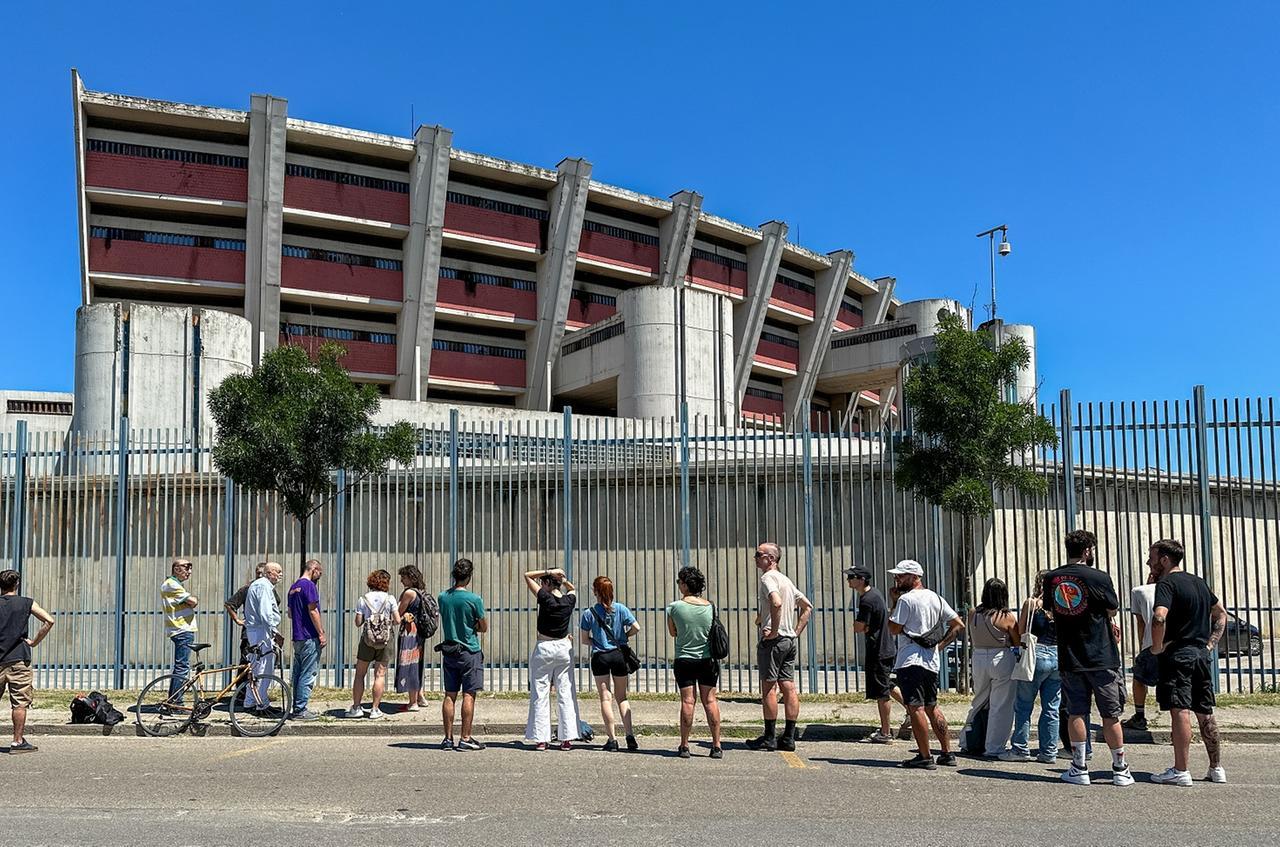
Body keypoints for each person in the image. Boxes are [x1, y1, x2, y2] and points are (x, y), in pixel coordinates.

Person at [1045, 529, 1133, 787]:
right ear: (1087, 551)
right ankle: (1120, 768)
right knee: (1110, 714)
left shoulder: (1053, 578)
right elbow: (1112, 607)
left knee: (1076, 713)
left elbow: (1052, 609)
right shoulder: (1099, 577)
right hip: (1101, 654)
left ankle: (1079, 766)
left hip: (1071, 655)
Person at [1148, 539, 1228, 786]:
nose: (1148, 562)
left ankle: (1181, 770)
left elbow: (1159, 617)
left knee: (1180, 708)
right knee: (1204, 710)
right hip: (1200, 655)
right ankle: (1216, 768)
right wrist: (1210, 644)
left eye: (1151, 557)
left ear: (1164, 560)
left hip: (1178, 655)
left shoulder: (1167, 583)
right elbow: (1221, 613)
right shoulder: (1199, 583)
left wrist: (1157, 647)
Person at [886, 559, 964, 769]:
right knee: (932, 705)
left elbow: (893, 628)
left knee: (916, 707)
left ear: (913, 577)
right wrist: (940, 645)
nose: (897, 579)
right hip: (931, 661)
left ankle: (924, 755)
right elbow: (957, 624)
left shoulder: (906, 600)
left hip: (910, 660)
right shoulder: (936, 598)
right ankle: (947, 752)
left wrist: (894, 602)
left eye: (901, 576)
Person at [746, 542, 813, 753]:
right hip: (789, 640)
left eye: (759, 554)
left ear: (771, 559)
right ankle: (789, 737)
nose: (755, 558)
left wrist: (774, 631)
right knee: (788, 686)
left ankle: (769, 736)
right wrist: (794, 631)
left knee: (768, 688)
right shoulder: (786, 580)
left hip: (774, 641)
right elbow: (807, 607)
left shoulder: (768, 578)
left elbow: (775, 602)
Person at [845, 566, 908, 743]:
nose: (848, 580)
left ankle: (885, 733)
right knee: (886, 684)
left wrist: (863, 627)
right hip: (884, 647)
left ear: (861, 579)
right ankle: (910, 711)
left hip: (878, 649)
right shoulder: (873, 593)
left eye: (851, 577)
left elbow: (858, 627)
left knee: (882, 693)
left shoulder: (867, 600)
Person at [666, 566, 723, 759]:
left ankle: (684, 745)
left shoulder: (674, 607)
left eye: (679, 582)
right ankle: (716, 745)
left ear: (684, 584)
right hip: (707, 660)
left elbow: (673, 633)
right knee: (710, 701)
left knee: (688, 701)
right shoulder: (710, 606)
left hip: (684, 659)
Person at [1007, 570, 1062, 764]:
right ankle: (1049, 752)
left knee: (1023, 705)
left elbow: (1022, 631)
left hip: (1035, 654)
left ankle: (1020, 748)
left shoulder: (1031, 604)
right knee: (1052, 707)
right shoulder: (1061, 603)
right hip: (1058, 655)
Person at [581, 575, 641, 752]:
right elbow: (636, 627)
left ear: (595, 592)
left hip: (600, 656)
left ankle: (612, 739)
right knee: (622, 697)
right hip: (618, 655)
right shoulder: (621, 609)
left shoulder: (589, 613)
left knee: (605, 697)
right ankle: (630, 736)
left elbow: (585, 640)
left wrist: (598, 643)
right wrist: (624, 637)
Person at [962, 578, 1020, 758]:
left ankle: (967, 740)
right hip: (1000, 657)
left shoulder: (973, 613)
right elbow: (1017, 640)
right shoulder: (1006, 616)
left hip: (979, 656)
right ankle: (994, 747)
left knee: (978, 700)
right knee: (1000, 705)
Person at [523, 567, 580, 750]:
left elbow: (527, 576)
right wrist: (562, 579)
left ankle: (541, 739)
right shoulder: (569, 600)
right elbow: (572, 588)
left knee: (540, 693)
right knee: (566, 693)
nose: (541, 584)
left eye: (544, 582)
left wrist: (549, 570)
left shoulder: (545, 598)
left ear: (547, 583)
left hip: (545, 647)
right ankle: (567, 738)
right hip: (563, 647)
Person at [0, 570, 54, 754]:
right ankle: (17, 742)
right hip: (18, 660)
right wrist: (34, 642)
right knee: (20, 703)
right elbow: (49, 620)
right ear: (16, 584)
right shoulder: (26, 603)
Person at [438, 558, 487, 751]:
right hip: (469, 650)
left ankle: (447, 738)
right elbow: (483, 627)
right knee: (469, 694)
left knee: (450, 694)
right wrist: (472, 624)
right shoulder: (474, 599)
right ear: (469, 576)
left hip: (450, 650)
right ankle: (465, 737)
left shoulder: (443, 597)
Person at [346, 569, 401, 720]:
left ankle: (356, 707)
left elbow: (358, 622)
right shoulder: (390, 599)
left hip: (367, 641)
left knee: (360, 674)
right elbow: (397, 620)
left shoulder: (363, 599)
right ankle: (375, 709)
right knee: (380, 674)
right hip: (385, 640)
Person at [243, 562, 285, 711]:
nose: (280, 575)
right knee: (265, 668)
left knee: (255, 666)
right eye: (278, 572)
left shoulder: (260, 585)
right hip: (262, 631)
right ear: (269, 573)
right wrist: (274, 631)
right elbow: (266, 613)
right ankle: (262, 703)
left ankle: (250, 701)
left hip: (257, 630)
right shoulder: (264, 586)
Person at [287, 559, 326, 721]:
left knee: (297, 673)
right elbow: (313, 610)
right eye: (320, 573)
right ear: (314, 569)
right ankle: (300, 710)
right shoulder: (309, 586)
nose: (319, 577)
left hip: (297, 636)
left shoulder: (293, 587)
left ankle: (296, 706)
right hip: (309, 635)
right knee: (308, 673)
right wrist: (321, 633)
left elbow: (290, 613)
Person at [1124, 566, 1161, 732]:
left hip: (1150, 643)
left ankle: (1140, 715)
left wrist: (1141, 645)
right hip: (1174, 645)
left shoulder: (1139, 591)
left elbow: (1141, 622)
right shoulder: (1178, 588)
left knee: (1139, 679)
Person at [160, 558, 199, 702]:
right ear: (176, 569)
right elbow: (193, 602)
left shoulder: (174, 585)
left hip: (181, 629)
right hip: (182, 629)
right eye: (186, 568)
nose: (189, 572)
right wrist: (192, 600)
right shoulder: (171, 585)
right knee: (182, 667)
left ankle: (172, 700)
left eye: (190, 568)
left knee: (180, 667)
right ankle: (176, 701)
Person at [395, 564, 429, 713]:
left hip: (410, 632)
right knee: (417, 663)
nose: (402, 580)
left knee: (410, 665)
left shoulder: (409, 593)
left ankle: (412, 702)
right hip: (419, 632)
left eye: (404, 577)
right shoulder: (421, 592)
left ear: (411, 578)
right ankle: (420, 696)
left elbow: (397, 612)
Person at [224, 563, 267, 664]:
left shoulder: (268, 588)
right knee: (246, 664)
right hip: (249, 634)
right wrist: (238, 620)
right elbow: (229, 604)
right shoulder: (248, 588)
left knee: (262, 664)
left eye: (262, 573)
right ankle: (242, 680)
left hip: (265, 632)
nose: (260, 576)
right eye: (258, 573)